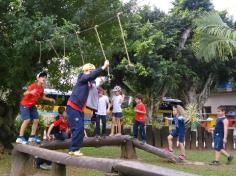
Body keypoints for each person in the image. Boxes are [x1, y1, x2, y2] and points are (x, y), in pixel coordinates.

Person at [67, 60, 109, 156]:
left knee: (80, 130)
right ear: (86, 70)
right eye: (90, 71)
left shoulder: (89, 82)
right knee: (78, 128)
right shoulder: (82, 77)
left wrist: (106, 77)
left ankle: (73, 149)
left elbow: (96, 80)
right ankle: (74, 149)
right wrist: (103, 67)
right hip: (73, 107)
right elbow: (91, 75)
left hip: (79, 109)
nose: (91, 73)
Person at [16, 71, 55, 144]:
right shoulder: (33, 86)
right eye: (42, 77)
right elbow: (24, 93)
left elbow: (42, 97)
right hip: (25, 104)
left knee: (36, 120)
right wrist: (30, 92)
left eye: (45, 77)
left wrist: (49, 99)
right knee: (27, 120)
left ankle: (32, 137)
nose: (44, 78)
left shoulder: (41, 88)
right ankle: (20, 137)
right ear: (38, 78)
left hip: (32, 105)